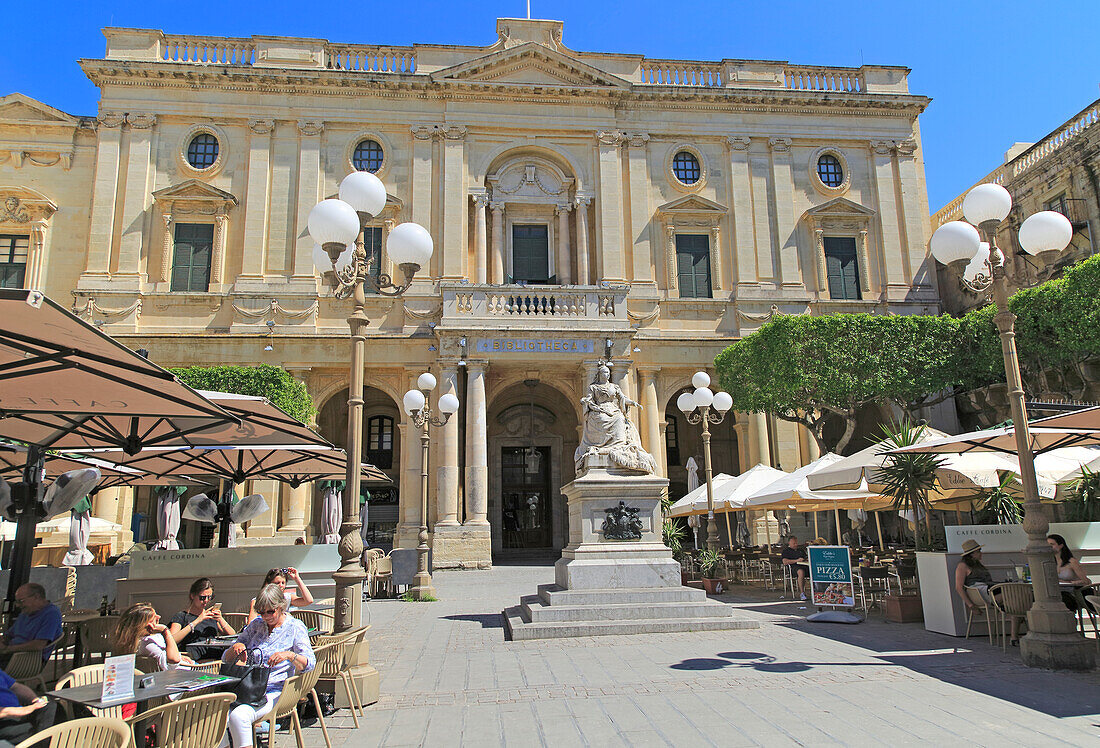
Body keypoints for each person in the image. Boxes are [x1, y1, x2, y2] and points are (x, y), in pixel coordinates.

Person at [220, 584, 315, 748]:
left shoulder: (294, 627)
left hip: (276, 690)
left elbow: (309, 663)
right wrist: (234, 650)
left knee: (239, 716)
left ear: (281, 607)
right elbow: (226, 658)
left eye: (270, 611)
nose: (265, 616)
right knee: (214, 715)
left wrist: (290, 655)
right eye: (261, 612)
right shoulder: (256, 625)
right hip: (247, 689)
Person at [115, 603, 193, 671]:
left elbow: (169, 655)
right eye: (154, 617)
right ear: (145, 624)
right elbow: (174, 659)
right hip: (184, 675)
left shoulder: (145, 641)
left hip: (186, 668)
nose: (159, 617)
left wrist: (180, 656)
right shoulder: (147, 643)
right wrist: (165, 630)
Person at [0, 584, 63, 667]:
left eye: (21, 601)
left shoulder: (51, 614)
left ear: (36, 597)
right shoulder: (26, 613)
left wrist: (7, 649)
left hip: (28, 660)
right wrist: (3, 640)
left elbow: (38, 645)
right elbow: (9, 635)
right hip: (10, 655)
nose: (18, 605)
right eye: (17, 602)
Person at [168, 578, 235, 652]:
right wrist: (197, 621)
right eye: (202, 597)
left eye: (210, 597)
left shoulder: (210, 616)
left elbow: (233, 636)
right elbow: (171, 640)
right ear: (192, 596)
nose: (206, 601)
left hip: (215, 657)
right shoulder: (181, 616)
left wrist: (221, 619)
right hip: (193, 659)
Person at [0, 667, 56, 743]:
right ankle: (42, 740)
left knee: (50, 706)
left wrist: (34, 700)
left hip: (20, 713)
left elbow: (16, 687)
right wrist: (21, 710)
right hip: (4, 720)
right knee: (33, 730)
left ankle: (42, 739)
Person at [1048, 534, 1093, 610]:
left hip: (1073, 593)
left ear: (1061, 545)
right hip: (1057, 591)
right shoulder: (1050, 562)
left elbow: (1086, 581)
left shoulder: (1071, 562)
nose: (1049, 547)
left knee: (1063, 600)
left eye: (1052, 544)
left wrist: (1070, 582)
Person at [247, 568, 313, 621]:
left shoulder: (287, 598)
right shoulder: (257, 600)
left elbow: (308, 601)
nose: (281, 585)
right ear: (268, 584)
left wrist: (297, 579)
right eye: (277, 583)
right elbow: (251, 622)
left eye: (283, 583)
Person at [781, 536, 809, 601]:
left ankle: (816, 590)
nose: (796, 545)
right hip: (793, 568)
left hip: (804, 565)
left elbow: (806, 557)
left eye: (796, 543)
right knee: (801, 572)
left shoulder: (800, 550)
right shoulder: (786, 551)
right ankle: (802, 593)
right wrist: (797, 560)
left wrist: (805, 559)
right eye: (794, 543)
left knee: (814, 570)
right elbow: (785, 562)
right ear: (789, 543)